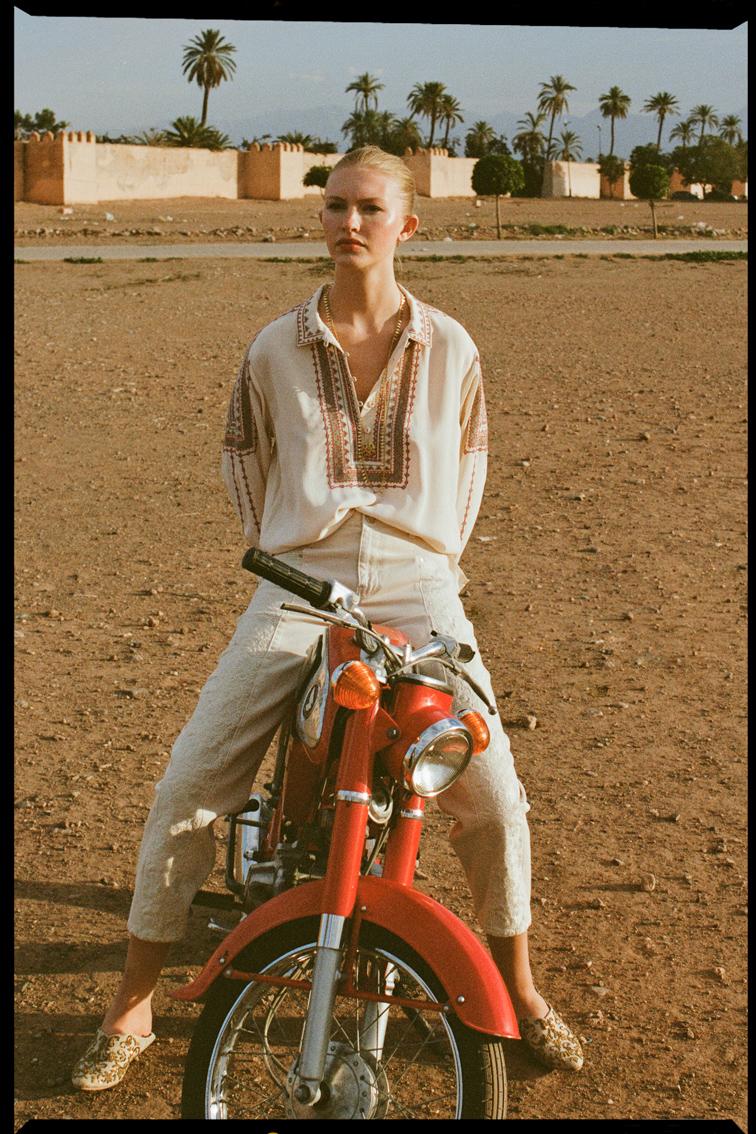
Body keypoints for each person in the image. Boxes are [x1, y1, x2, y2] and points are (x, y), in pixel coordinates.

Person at [72, 146, 583, 1093]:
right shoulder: (275, 346)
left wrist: (427, 565)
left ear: (406, 225)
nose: (350, 223)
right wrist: (292, 554)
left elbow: (469, 471)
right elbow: (245, 463)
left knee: (492, 793)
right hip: (299, 583)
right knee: (191, 783)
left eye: (370, 209)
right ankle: (131, 1002)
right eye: (337, 206)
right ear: (321, 218)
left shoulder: (453, 347)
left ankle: (520, 984)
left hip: (420, 585)